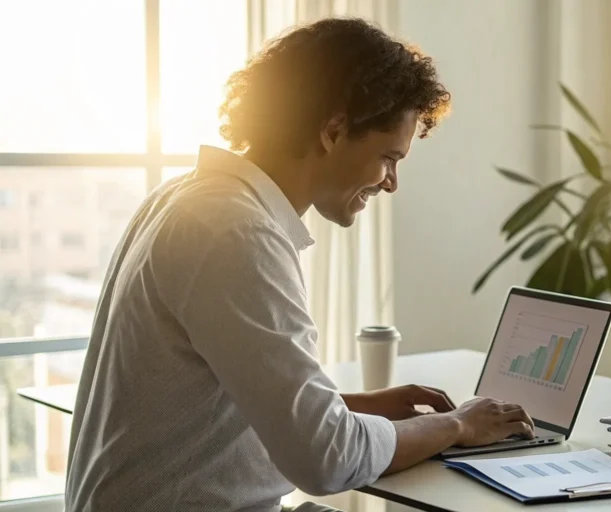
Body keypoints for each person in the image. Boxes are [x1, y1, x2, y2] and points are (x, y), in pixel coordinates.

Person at [64, 17, 534, 512]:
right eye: (388, 157)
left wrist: (353, 407)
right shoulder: (237, 234)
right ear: (333, 131)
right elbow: (325, 458)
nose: (391, 182)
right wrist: (456, 425)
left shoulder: (187, 198)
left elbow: (232, 402)